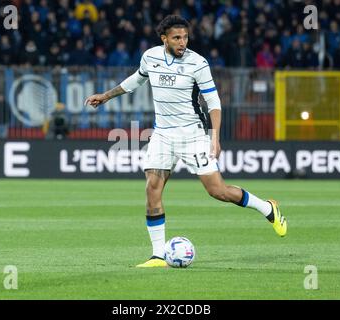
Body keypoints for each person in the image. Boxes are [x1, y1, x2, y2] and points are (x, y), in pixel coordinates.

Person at [84, 15, 287, 268]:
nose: (182, 43)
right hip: (162, 135)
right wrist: (106, 96)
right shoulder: (151, 57)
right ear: (164, 39)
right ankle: (158, 255)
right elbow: (137, 79)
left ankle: (267, 208)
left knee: (218, 191)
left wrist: (215, 136)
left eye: (185, 37)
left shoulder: (198, 63)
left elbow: (213, 102)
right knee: (152, 189)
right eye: (177, 38)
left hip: (193, 134)